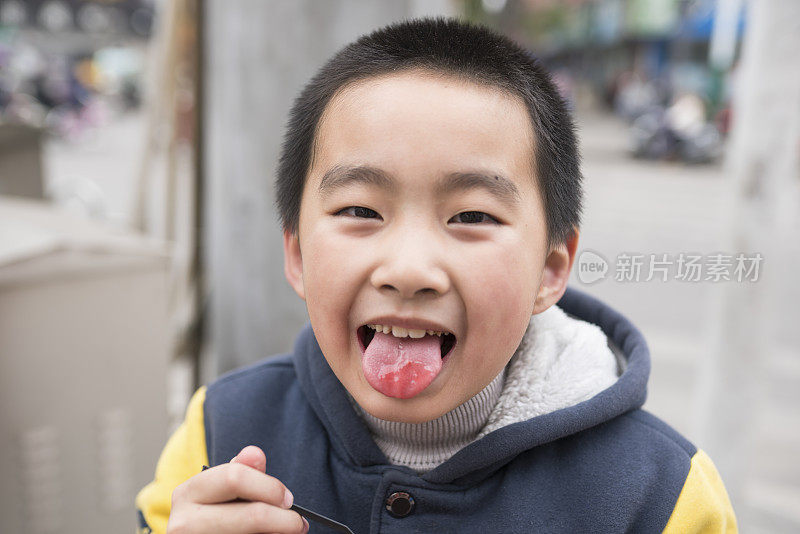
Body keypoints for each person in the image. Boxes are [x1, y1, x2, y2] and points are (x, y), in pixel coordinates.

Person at [136, 17, 736, 533]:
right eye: (360, 211)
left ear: (549, 271)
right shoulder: (220, 429)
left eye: (472, 216)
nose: (410, 270)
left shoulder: (660, 495)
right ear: (297, 255)